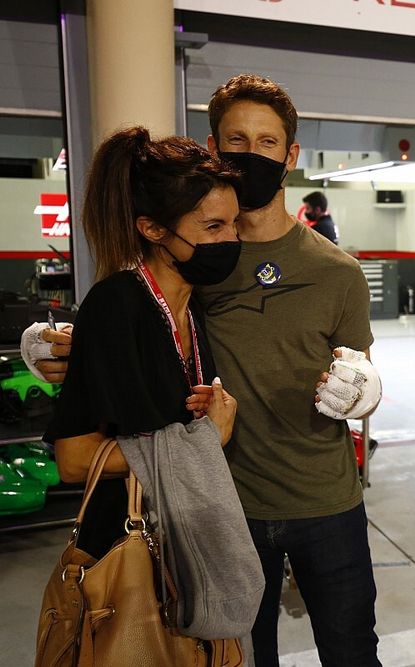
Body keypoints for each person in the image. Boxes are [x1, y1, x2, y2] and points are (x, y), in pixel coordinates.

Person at [26, 74, 383, 667]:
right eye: (235, 141)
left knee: (352, 653)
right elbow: (130, 318)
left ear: (291, 155)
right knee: (239, 657)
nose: (251, 155)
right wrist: (60, 345)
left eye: (268, 143)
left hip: (325, 501)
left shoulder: (336, 272)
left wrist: (365, 394)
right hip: (224, 505)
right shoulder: (191, 256)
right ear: (214, 148)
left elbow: (356, 371)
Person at [44, 127, 241, 571]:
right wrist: (208, 438)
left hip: (183, 540)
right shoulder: (117, 305)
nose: (231, 240)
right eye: (213, 226)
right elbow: (74, 461)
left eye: (234, 224)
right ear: (152, 228)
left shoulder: (192, 305)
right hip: (127, 550)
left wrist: (202, 418)